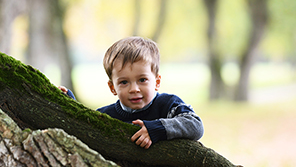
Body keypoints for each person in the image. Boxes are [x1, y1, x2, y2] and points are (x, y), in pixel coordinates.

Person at [60, 36, 204, 149]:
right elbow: (84, 130)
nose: (134, 89)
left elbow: (195, 126)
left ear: (157, 82)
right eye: (124, 82)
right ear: (112, 88)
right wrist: (70, 105)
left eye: (142, 80)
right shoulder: (106, 116)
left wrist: (157, 129)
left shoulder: (168, 104)